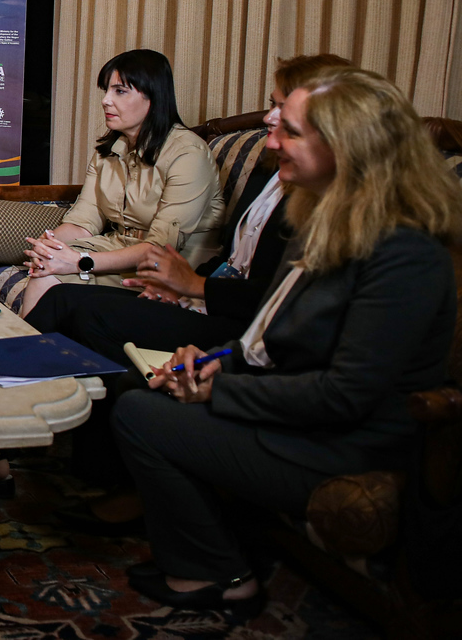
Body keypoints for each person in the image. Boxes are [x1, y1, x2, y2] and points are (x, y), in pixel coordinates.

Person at [114, 68, 459, 618]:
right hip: (300, 419)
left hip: (342, 445)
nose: (270, 141)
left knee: (138, 413)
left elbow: (346, 396)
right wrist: (213, 362)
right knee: (144, 383)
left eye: (290, 131)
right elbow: (269, 340)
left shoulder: (405, 253)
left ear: (347, 147)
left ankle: (221, 574)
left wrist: (217, 392)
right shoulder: (322, 218)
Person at [30, 53, 351, 531]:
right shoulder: (275, 169)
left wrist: (193, 287)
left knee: (82, 311)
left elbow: (265, 298)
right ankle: (45, 438)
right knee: (64, 299)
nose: (268, 121)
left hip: (225, 313)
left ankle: (53, 448)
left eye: (281, 109)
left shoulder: (319, 202)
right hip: (209, 295)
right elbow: (235, 260)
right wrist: (56, 247)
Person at [18, 49, 225, 317]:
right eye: (106, 91)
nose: (105, 100)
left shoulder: (188, 154)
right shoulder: (108, 151)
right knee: (45, 268)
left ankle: (26, 342)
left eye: (120, 91)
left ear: (153, 97)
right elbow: (83, 222)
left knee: (50, 277)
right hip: (117, 249)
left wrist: (80, 261)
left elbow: (160, 248)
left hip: (172, 268)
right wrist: (49, 247)